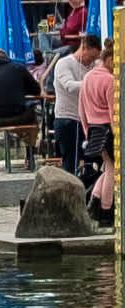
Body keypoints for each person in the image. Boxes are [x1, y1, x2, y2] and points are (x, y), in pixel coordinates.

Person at [50, 35, 99, 170]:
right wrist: (94, 83)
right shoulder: (63, 64)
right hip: (68, 118)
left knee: (94, 160)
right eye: (91, 57)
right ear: (84, 48)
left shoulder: (94, 65)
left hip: (88, 120)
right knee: (71, 162)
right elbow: (69, 86)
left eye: (95, 58)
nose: (92, 61)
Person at [80, 38, 114, 219]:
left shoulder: (87, 77)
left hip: (93, 128)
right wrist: (118, 134)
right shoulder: (110, 80)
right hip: (108, 128)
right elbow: (114, 111)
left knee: (107, 167)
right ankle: (106, 210)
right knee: (113, 169)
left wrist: (87, 130)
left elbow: (81, 108)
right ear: (109, 59)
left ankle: (94, 200)